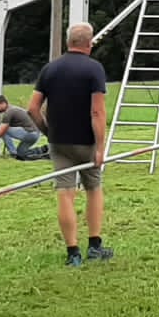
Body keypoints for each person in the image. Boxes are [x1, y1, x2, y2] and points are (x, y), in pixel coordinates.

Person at [32, 21, 110, 266]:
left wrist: (48, 132)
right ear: (89, 43)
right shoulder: (94, 69)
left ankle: (73, 252)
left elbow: (33, 108)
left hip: (59, 143)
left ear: (68, 41)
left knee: (65, 194)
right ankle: (94, 246)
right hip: (86, 142)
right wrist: (100, 147)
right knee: (93, 189)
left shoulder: (49, 69)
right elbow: (97, 112)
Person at [0, 93, 41, 159]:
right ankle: (41, 151)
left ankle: (13, 153)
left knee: (5, 130)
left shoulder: (9, 112)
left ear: (3, 103)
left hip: (29, 133)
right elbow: (0, 134)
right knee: (21, 153)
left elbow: (1, 132)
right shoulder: (15, 109)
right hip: (36, 135)